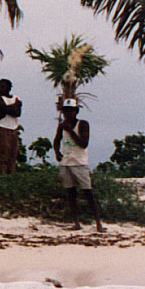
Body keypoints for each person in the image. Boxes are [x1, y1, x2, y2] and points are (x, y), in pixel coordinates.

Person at [52, 98, 103, 232]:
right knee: (71, 193)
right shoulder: (62, 125)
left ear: (76, 111)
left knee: (88, 193)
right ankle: (76, 223)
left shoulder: (83, 124)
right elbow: (56, 140)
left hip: (79, 163)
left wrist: (71, 131)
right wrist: (57, 152)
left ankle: (99, 223)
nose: (68, 113)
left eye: (71, 110)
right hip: (66, 162)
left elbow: (84, 143)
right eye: (66, 111)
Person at [0, 79, 23, 174]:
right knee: (3, 154)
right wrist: (15, 105)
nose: (0, 89)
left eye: (3, 86)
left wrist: (9, 109)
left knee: (13, 154)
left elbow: (17, 113)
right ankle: (2, 175)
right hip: (2, 127)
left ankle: (11, 175)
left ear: (9, 88)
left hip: (14, 128)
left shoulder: (15, 98)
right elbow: (3, 109)